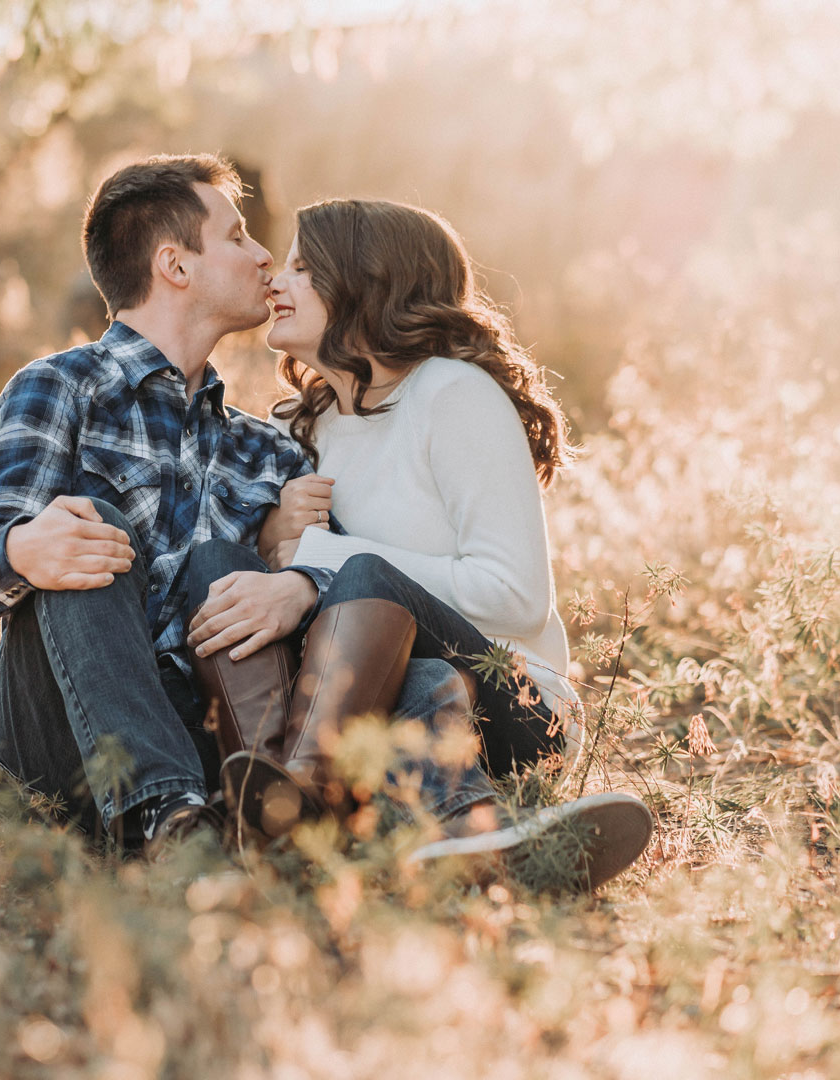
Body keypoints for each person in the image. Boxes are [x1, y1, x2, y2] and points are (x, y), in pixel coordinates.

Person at [0, 156, 480, 861]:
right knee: (91, 532)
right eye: (237, 237)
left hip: (213, 744)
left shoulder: (269, 449)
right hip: (60, 743)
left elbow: (354, 593)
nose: (264, 258)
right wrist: (22, 550)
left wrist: (296, 581)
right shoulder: (59, 388)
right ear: (175, 265)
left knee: (423, 678)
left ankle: (473, 841)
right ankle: (168, 814)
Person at [199, 197, 653, 889]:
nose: (275, 282)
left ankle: (296, 807)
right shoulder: (299, 426)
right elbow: (297, 600)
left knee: (371, 581)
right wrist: (271, 548)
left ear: (364, 282)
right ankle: (467, 838)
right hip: (386, 705)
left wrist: (323, 564)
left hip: (520, 710)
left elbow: (516, 598)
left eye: (301, 268)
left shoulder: (452, 395)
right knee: (418, 675)